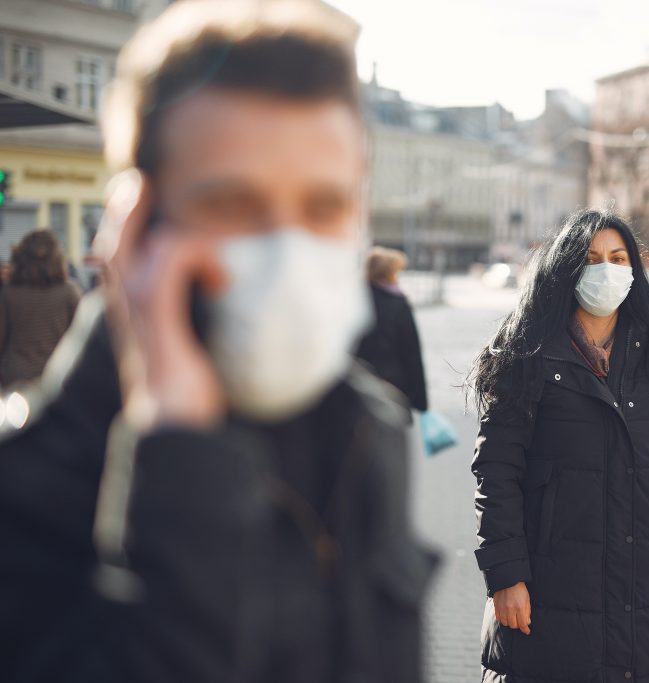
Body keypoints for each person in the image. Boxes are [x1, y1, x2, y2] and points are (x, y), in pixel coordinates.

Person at [0, 2, 436, 681]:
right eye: (233, 205)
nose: (287, 249)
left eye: (323, 206)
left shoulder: (365, 431)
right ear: (138, 225)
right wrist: (176, 456)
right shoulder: (22, 491)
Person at [469, 209, 649, 683]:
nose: (606, 269)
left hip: (648, 591)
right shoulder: (524, 355)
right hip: (551, 586)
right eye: (591, 258)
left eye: (617, 257)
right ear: (565, 270)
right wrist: (505, 575)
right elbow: (496, 472)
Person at [0, 229, 81, 388]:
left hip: (16, 378)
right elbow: (80, 340)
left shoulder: (9, 294)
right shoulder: (69, 293)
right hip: (57, 378)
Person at [356, 246, 428, 414]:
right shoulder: (397, 304)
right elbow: (411, 354)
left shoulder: (353, 299)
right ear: (389, 273)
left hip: (357, 385)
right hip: (392, 388)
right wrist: (420, 404)